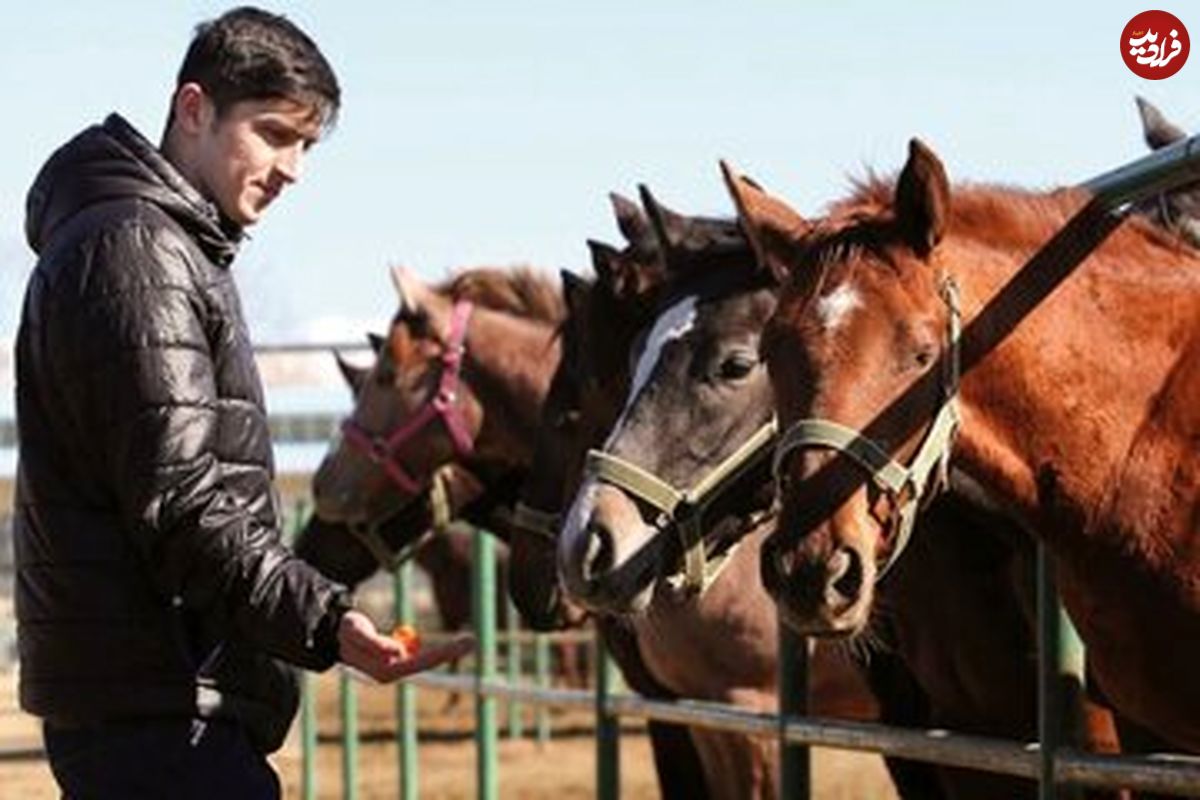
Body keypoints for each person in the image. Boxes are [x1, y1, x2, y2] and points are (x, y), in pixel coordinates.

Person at [14, 7, 470, 798]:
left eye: (305, 145)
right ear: (193, 110)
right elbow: (184, 504)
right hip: (160, 713)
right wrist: (327, 622)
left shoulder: (159, 246)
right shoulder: (139, 254)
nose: (292, 168)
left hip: (158, 706)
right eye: (273, 133)